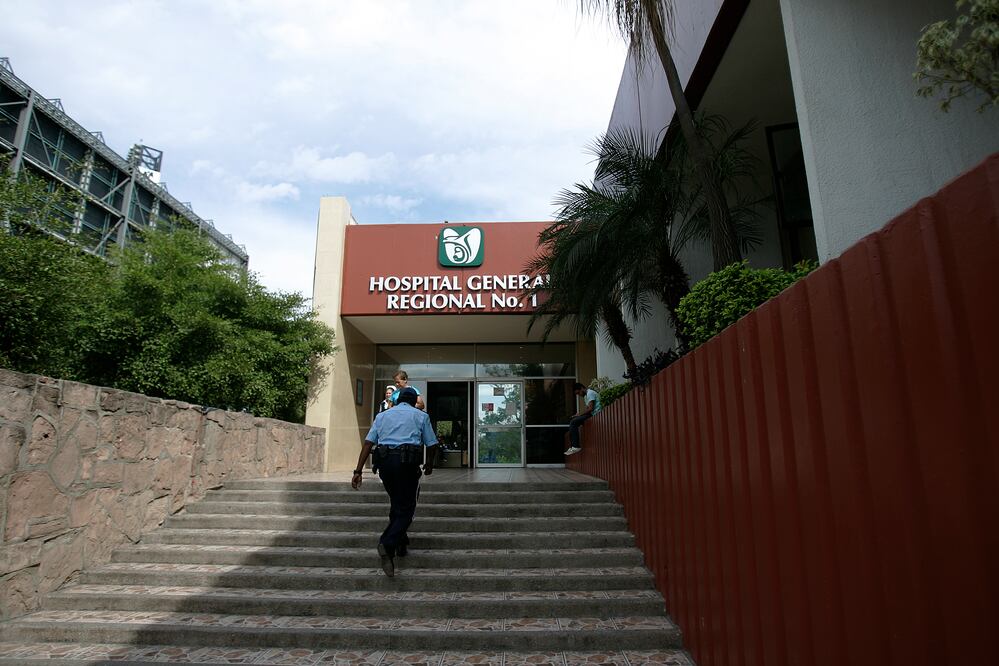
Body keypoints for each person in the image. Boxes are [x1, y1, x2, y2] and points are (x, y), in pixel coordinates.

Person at [351, 387, 437, 577]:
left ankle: (401, 543)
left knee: (397, 503)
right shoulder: (420, 415)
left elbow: (368, 443)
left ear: (397, 401)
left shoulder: (382, 416)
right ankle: (387, 543)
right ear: (415, 401)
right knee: (407, 509)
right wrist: (429, 464)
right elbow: (432, 444)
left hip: (385, 466)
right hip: (407, 465)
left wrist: (358, 471)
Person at [564, 382, 601, 456]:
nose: (579, 395)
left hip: (596, 414)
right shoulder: (585, 396)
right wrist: (578, 415)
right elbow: (587, 409)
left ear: (582, 388)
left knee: (574, 422)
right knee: (573, 422)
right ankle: (573, 446)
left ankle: (576, 446)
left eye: (578, 393)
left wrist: (579, 415)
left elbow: (590, 408)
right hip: (591, 414)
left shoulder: (590, 393)